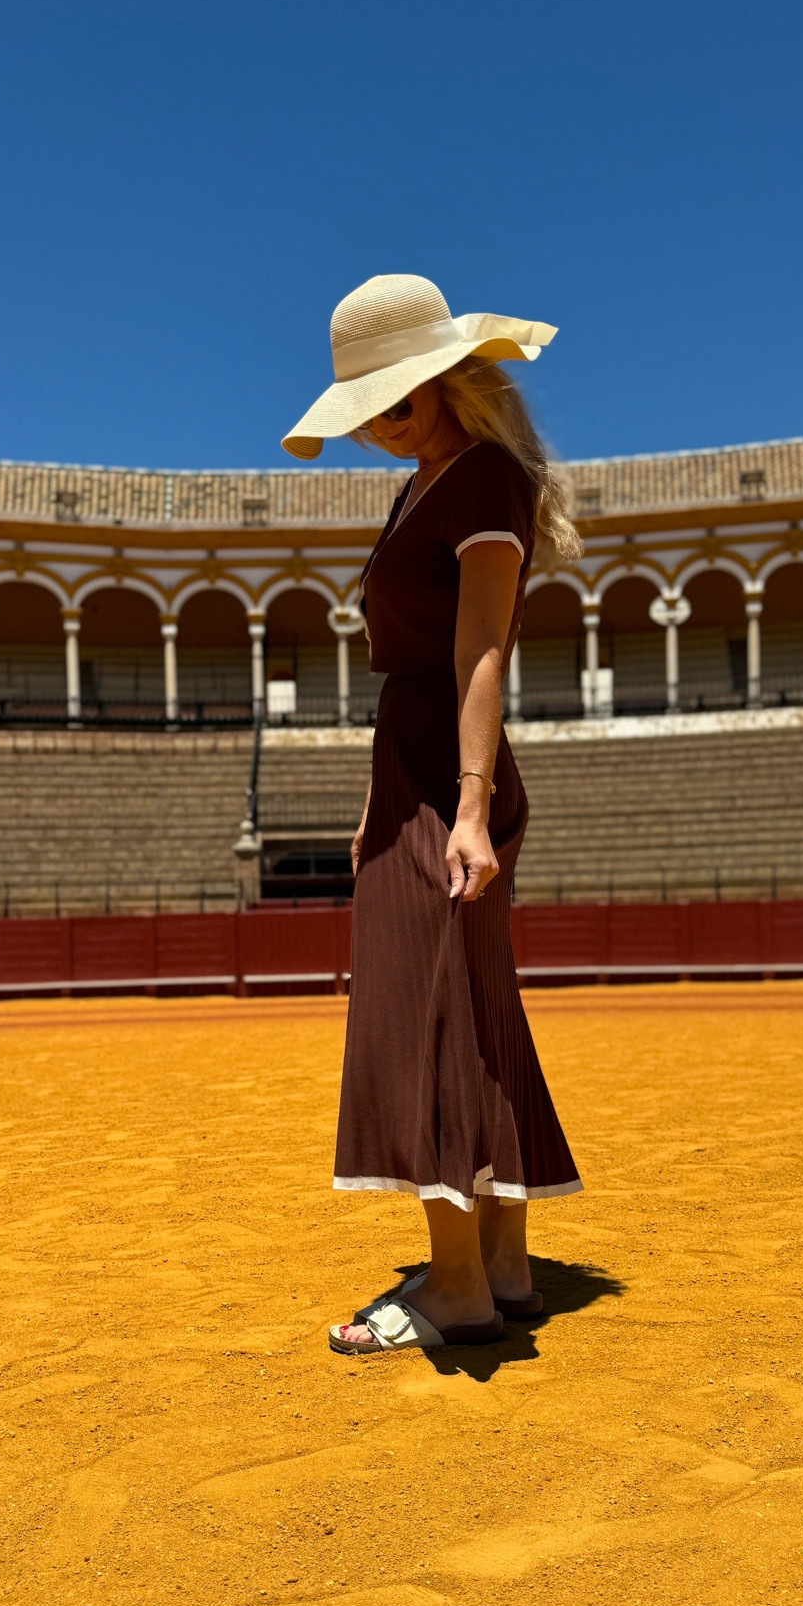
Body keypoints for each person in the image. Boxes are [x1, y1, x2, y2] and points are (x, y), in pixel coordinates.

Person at [281, 273, 583, 1354]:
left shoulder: (481, 479)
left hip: (449, 775)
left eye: (397, 405)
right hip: (411, 763)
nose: (378, 429)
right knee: (475, 1011)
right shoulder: (428, 482)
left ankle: (454, 1285)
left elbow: (481, 647)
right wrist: (385, 795)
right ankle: (500, 1265)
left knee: (428, 1017)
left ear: (453, 381)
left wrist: (464, 807)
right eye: (368, 412)